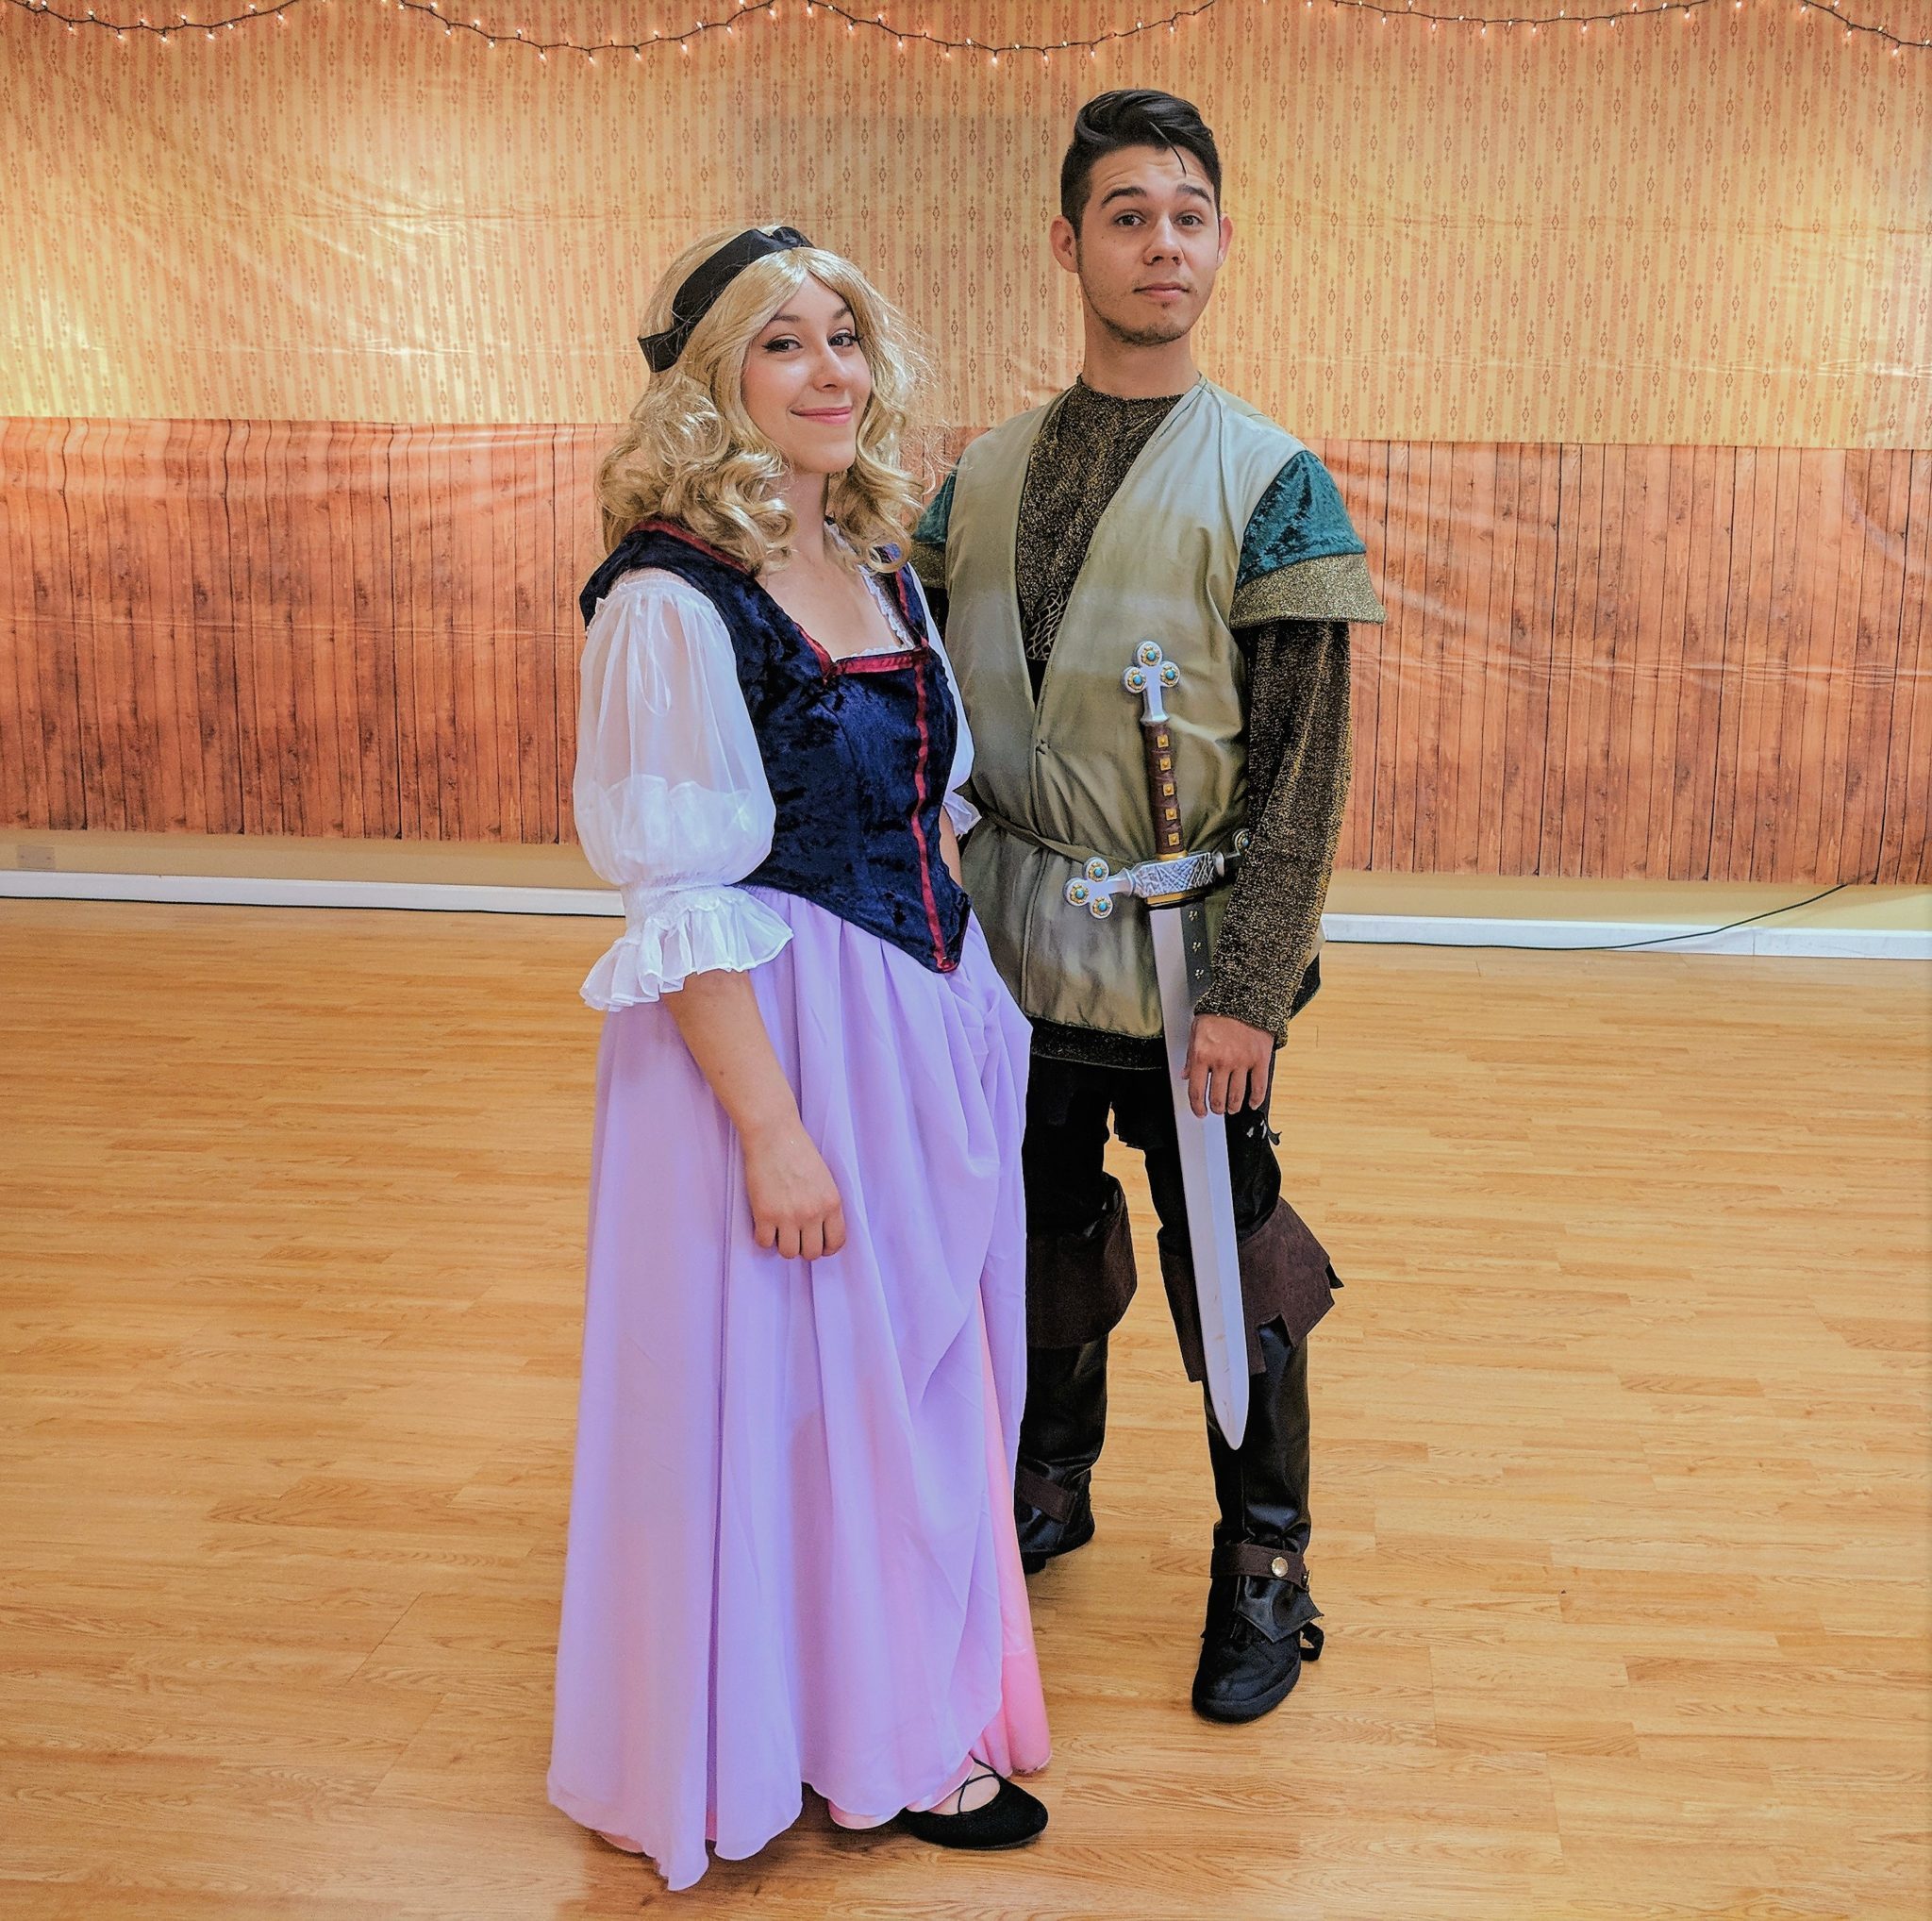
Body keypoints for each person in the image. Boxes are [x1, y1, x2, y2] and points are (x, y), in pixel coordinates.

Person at [548, 226, 1050, 1892]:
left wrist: (969, 1020)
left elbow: (930, 809)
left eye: (844, 337)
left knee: (914, 1387)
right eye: (782, 343)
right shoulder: (669, 597)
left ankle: (894, 1704)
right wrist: (771, 1130)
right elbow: (678, 892)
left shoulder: (882, 559)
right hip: (772, 1045)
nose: (828, 370)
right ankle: (841, 1740)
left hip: (912, 1023)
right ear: (713, 382)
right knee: (811, 1407)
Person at [911, 91, 1386, 1726]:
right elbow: (926, 710)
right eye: (1127, 215)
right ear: (1070, 244)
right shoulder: (978, 476)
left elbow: (1307, 768)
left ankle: (1266, 1558)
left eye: (1188, 216)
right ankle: (1050, 1475)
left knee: (1230, 1263)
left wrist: (1250, 989)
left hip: (1191, 960)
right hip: (1009, 949)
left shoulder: (1274, 482)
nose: (1161, 244)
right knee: (1036, 1228)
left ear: (1223, 242)